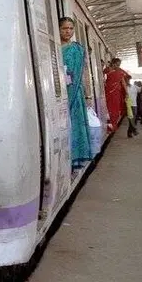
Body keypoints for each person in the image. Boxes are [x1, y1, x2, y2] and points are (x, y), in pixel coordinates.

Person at [59, 17, 92, 170]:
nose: (68, 31)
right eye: (65, 28)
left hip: (76, 94)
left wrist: (87, 94)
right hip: (60, 92)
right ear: (59, 29)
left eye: (71, 28)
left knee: (75, 124)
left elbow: (84, 73)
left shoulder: (78, 49)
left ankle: (76, 159)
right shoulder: (55, 48)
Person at [103, 58, 130, 134]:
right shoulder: (107, 70)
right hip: (108, 92)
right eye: (117, 64)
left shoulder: (120, 72)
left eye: (119, 65)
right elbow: (102, 79)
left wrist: (127, 92)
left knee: (116, 110)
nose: (118, 66)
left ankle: (113, 126)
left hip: (116, 93)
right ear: (113, 63)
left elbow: (123, 82)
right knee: (108, 110)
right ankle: (108, 126)